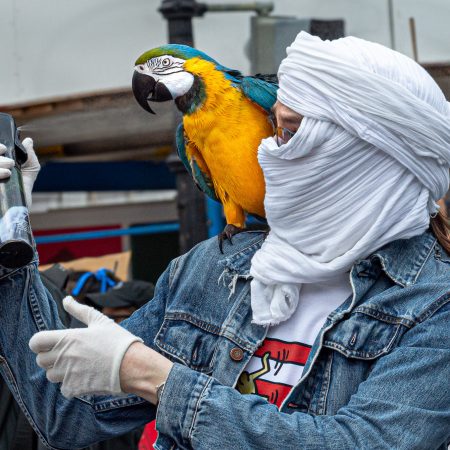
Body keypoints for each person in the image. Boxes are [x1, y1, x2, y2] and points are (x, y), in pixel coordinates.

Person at [1, 32, 450, 450]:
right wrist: (9, 233)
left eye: (291, 133)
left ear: (369, 153)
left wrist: (155, 376)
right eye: (274, 127)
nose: (270, 150)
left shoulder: (435, 306)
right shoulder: (213, 268)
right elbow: (62, 412)